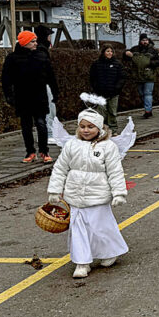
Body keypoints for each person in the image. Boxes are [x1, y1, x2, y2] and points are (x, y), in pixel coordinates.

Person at [46, 100, 129, 279]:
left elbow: (115, 171)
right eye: (82, 126)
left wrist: (119, 193)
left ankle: (110, 252)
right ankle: (82, 262)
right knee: (79, 230)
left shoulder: (108, 147)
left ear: (99, 128)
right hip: (75, 197)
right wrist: (54, 190)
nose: (85, 130)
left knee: (101, 228)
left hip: (98, 196)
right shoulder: (71, 145)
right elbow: (60, 169)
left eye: (90, 126)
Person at [1, 29, 59, 164]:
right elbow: (6, 79)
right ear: (24, 43)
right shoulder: (12, 59)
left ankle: (44, 151)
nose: (35, 43)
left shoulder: (41, 56)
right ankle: (30, 151)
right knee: (26, 125)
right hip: (22, 97)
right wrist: (9, 96)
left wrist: (55, 93)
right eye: (32, 41)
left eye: (35, 41)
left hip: (39, 96)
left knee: (41, 123)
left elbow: (51, 76)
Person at [124, 34, 159, 118]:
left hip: (149, 76)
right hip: (137, 76)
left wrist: (150, 63)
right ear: (140, 41)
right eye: (143, 40)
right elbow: (126, 57)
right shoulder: (135, 49)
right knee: (141, 94)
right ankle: (149, 107)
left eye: (146, 40)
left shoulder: (153, 51)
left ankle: (148, 111)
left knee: (147, 93)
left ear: (148, 41)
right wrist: (126, 53)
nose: (145, 42)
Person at [89, 44, 126, 129]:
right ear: (103, 52)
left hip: (113, 92)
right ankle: (102, 128)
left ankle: (113, 129)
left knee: (112, 111)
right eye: (108, 51)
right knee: (101, 112)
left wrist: (117, 88)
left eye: (111, 51)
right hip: (100, 92)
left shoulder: (117, 64)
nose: (110, 53)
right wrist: (96, 88)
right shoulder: (96, 64)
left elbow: (122, 77)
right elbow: (92, 78)